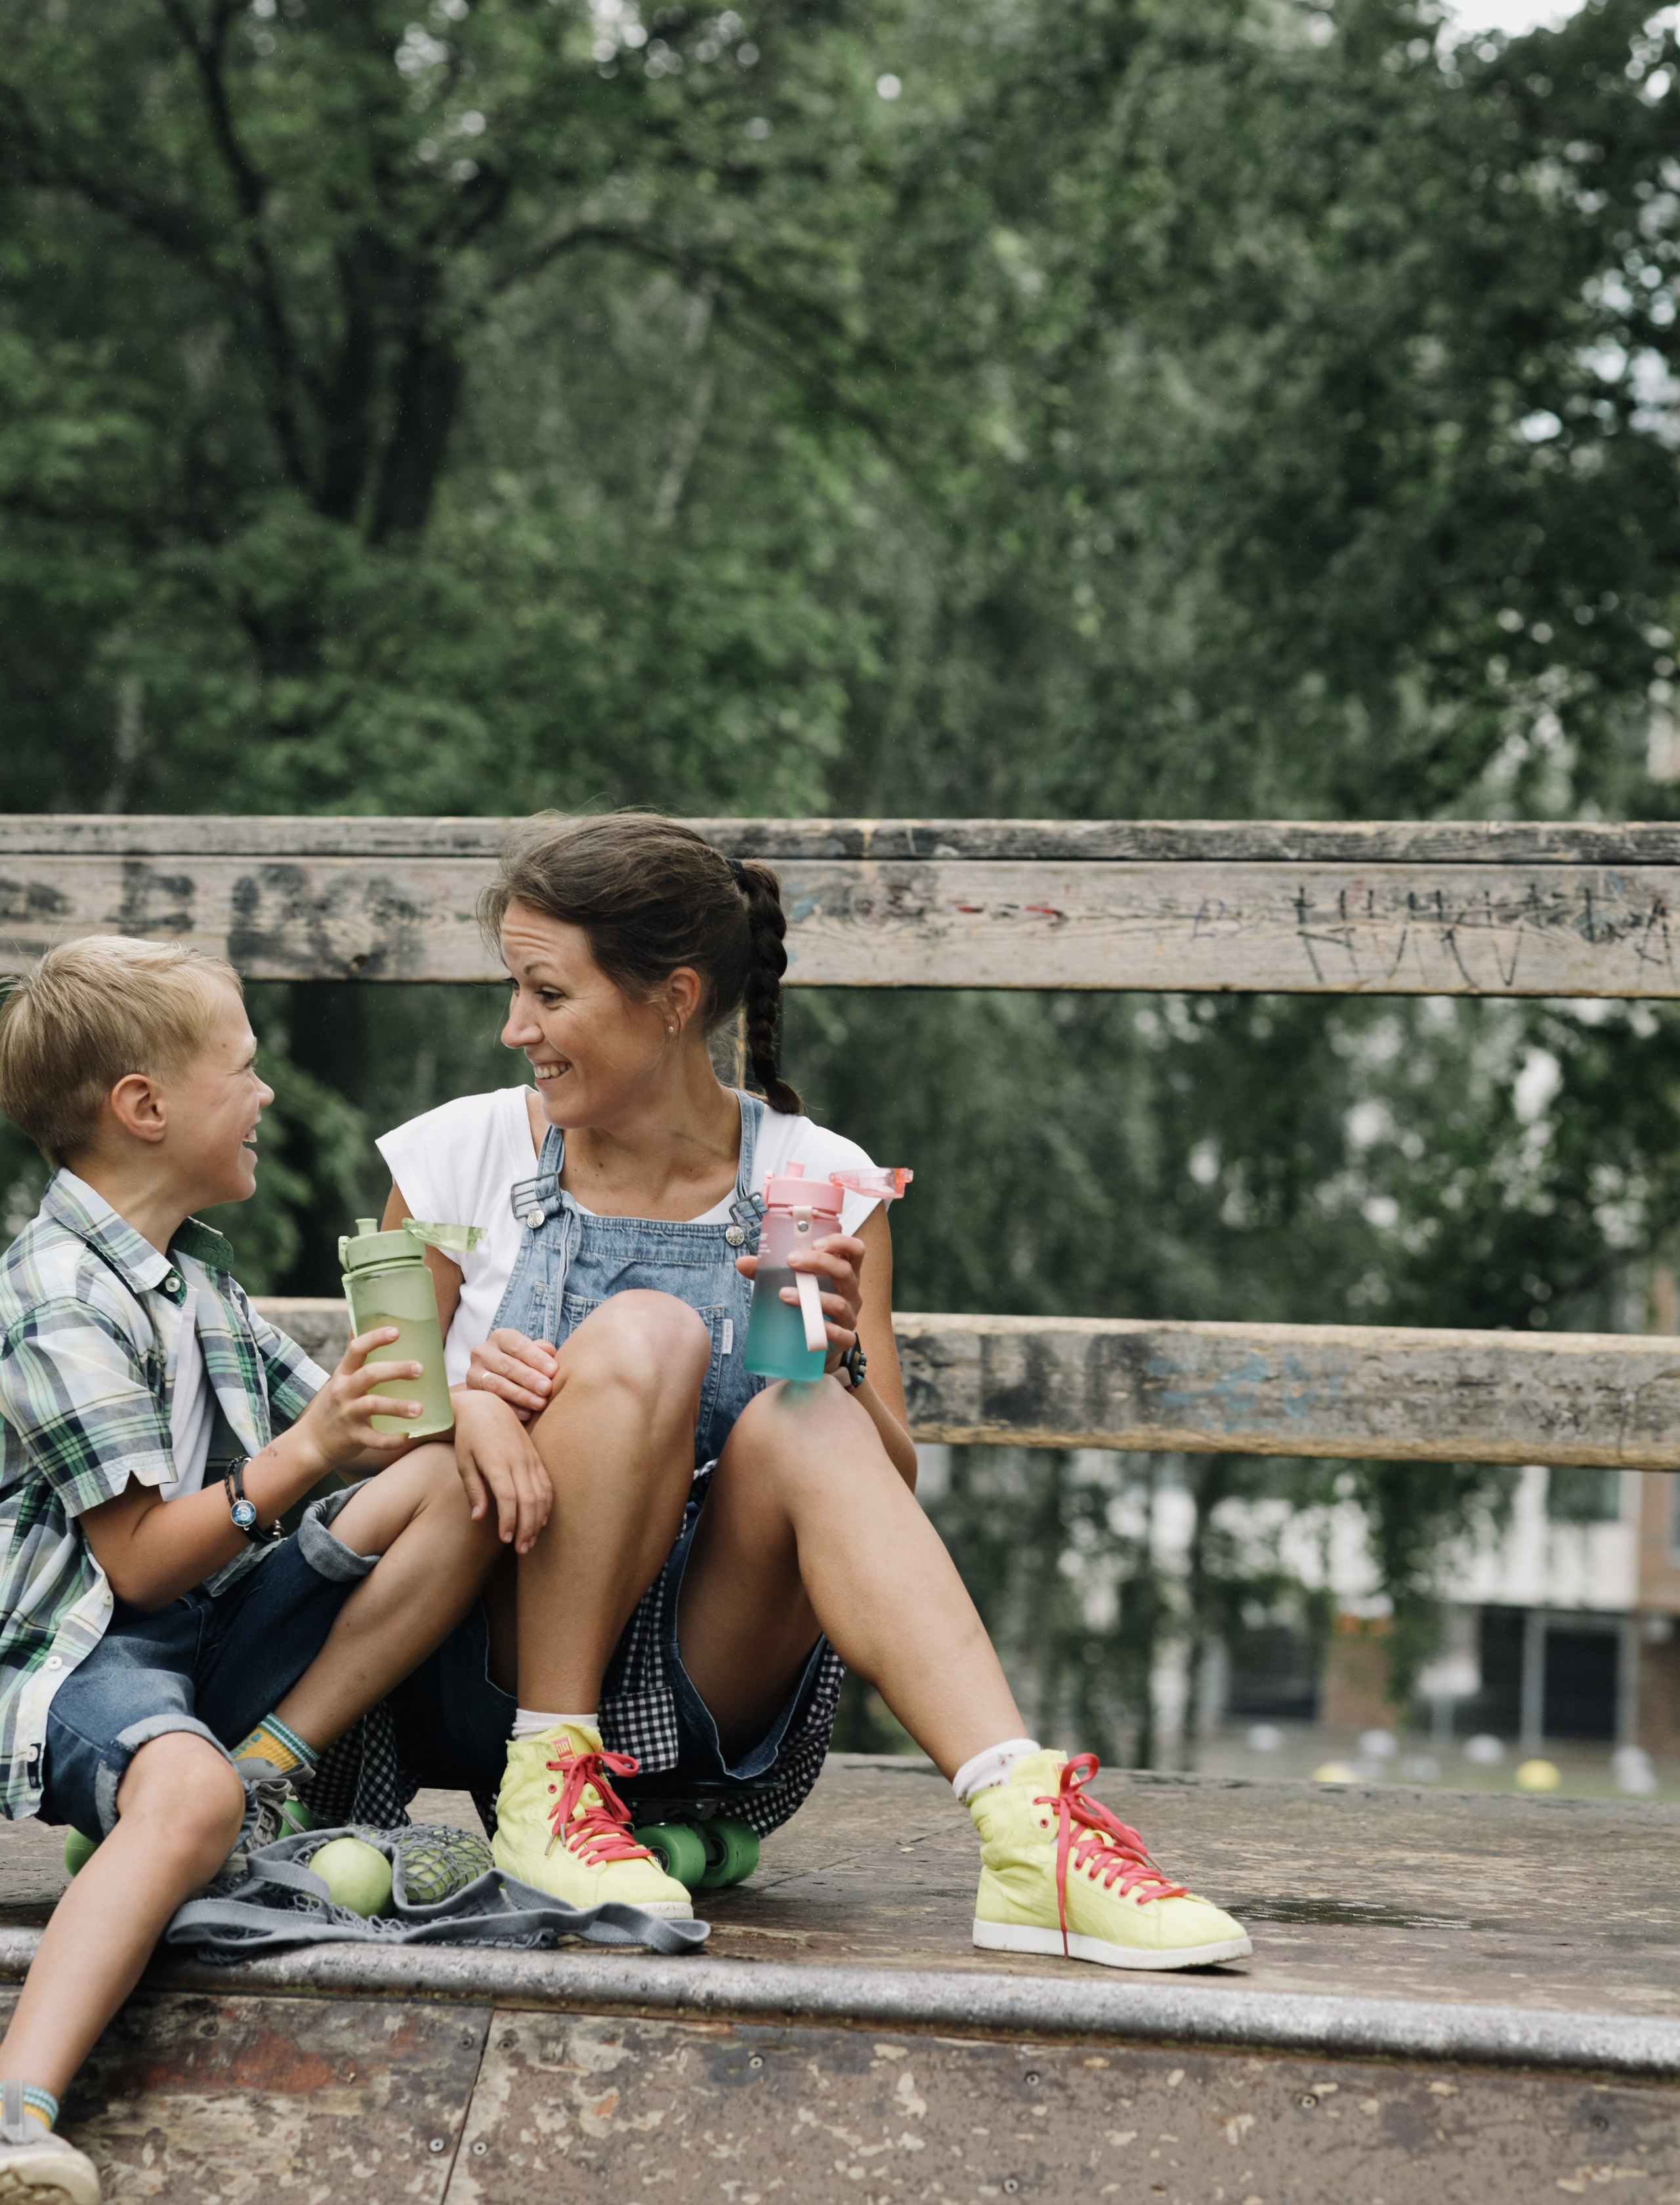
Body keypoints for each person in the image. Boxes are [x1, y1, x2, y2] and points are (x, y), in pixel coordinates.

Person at [379, 811, 1252, 1967]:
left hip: (696, 1689)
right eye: (515, 989)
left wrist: (836, 1362)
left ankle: (1023, 1831)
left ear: (673, 998)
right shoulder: (451, 1158)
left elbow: (884, 1475)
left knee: (805, 1410)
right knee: (645, 1337)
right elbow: (365, 1451)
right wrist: (471, 1406)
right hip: (487, 1668)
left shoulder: (820, 1180)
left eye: (547, 994)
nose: (513, 1028)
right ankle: (550, 1790)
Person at [0, 936, 536, 2205]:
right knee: (178, 1803)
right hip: (89, 1653)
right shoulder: (53, 1293)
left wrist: (484, 1397)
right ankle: (19, 2108)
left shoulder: (197, 1283)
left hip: (204, 1635)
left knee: (449, 1480)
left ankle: (266, 1771)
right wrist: (303, 1457)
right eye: (242, 1071)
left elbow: (386, 1443)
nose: (267, 1095)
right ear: (145, 1108)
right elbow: (132, 1566)